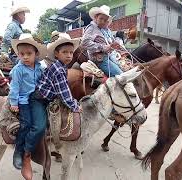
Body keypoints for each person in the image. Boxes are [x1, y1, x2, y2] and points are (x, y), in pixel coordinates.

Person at [26, 33, 82, 178]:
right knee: (39, 126)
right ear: (56, 54)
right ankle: (26, 150)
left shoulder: (62, 67)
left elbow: (64, 90)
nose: (69, 55)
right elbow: (64, 93)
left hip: (50, 98)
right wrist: (75, 105)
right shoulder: (58, 69)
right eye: (65, 52)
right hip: (39, 99)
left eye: (71, 52)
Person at [8, 33, 46, 180]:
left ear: (36, 54)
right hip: (24, 100)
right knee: (27, 125)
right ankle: (21, 151)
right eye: (21, 54)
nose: (25, 57)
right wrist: (13, 103)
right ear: (18, 54)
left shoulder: (39, 67)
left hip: (37, 98)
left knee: (43, 124)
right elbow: (14, 87)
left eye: (29, 54)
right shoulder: (18, 70)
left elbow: (43, 82)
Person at [82, 5, 123, 77]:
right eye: (101, 18)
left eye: (105, 20)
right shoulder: (91, 28)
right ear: (95, 17)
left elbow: (111, 42)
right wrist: (103, 47)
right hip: (100, 60)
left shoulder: (103, 30)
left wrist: (114, 45)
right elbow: (84, 43)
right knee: (122, 76)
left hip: (109, 57)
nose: (103, 22)